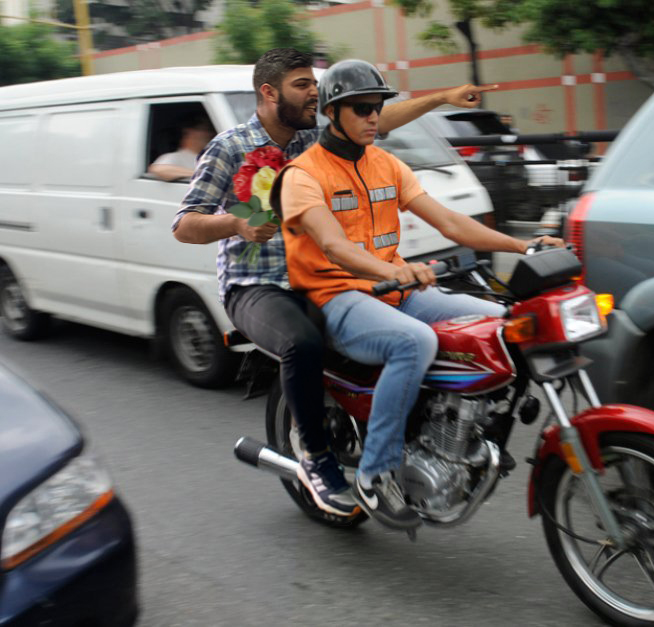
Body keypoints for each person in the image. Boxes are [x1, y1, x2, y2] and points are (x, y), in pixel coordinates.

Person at [171, 48, 498, 518]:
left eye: (314, 84)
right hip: (258, 284)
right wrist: (237, 224)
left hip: (329, 278)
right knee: (302, 342)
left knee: (429, 323)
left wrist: (442, 97)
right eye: (302, 84)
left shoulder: (316, 141)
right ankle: (319, 460)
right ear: (268, 92)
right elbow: (185, 225)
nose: (313, 92)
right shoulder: (231, 146)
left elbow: (377, 117)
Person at [276, 59, 564, 530]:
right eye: (362, 108)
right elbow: (333, 246)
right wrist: (402, 270)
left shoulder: (387, 163)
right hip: (338, 297)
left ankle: (462, 435)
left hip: (396, 290)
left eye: (379, 107)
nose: (374, 117)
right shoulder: (302, 175)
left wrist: (524, 244)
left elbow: (451, 222)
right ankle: (374, 470)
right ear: (333, 112)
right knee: (415, 342)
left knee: (503, 321)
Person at [149, 119, 214, 182]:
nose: (209, 134)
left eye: (209, 130)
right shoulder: (175, 156)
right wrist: (201, 174)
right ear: (189, 132)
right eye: (203, 129)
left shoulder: (209, 157)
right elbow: (159, 169)